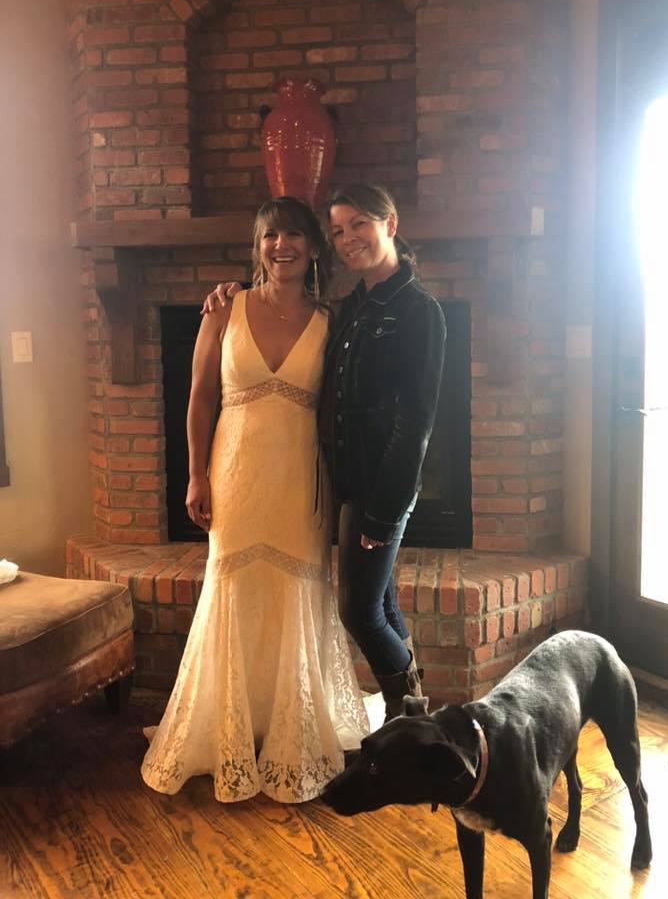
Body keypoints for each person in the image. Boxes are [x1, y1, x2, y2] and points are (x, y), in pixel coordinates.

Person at [141, 197, 369, 804]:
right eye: (270, 236)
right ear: (258, 246)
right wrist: (196, 477)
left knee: (294, 590)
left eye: (294, 235)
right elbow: (199, 398)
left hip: (300, 483)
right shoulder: (225, 309)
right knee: (236, 590)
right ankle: (232, 729)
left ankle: (289, 727)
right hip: (234, 475)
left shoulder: (331, 321)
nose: (281, 246)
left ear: (314, 248)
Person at [204, 184, 446, 722]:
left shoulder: (419, 310)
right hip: (343, 481)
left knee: (359, 611)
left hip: (380, 486)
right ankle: (412, 714)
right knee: (379, 601)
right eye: (338, 230)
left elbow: (415, 424)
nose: (348, 237)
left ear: (390, 223)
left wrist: (383, 512)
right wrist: (231, 291)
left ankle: (411, 713)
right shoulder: (351, 307)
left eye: (359, 224)